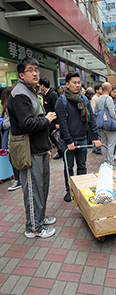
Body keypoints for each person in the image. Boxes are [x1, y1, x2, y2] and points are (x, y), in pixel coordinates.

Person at [7, 57, 57, 238]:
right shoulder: (20, 94)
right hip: (29, 150)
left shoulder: (32, 91)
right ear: (21, 74)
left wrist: (48, 146)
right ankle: (33, 227)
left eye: (37, 69)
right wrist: (47, 120)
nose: (35, 73)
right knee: (32, 190)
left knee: (42, 187)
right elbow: (26, 124)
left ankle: (40, 218)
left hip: (40, 147)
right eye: (30, 70)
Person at [55, 72, 101, 202]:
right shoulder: (61, 101)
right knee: (68, 167)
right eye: (74, 83)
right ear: (67, 84)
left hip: (82, 139)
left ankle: (81, 189)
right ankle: (69, 190)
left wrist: (96, 137)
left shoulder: (84, 100)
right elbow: (63, 123)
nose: (77, 85)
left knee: (82, 165)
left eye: (78, 82)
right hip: (67, 141)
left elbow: (91, 119)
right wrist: (69, 141)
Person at [0, 88, 22, 191]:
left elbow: (6, 125)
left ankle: (18, 180)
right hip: (16, 138)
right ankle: (19, 179)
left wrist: (2, 121)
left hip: (12, 138)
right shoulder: (16, 105)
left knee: (13, 159)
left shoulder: (9, 109)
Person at [95, 82, 116, 166]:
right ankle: (110, 161)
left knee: (104, 143)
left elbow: (96, 111)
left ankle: (105, 160)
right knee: (111, 143)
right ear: (109, 89)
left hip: (101, 124)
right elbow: (112, 113)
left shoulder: (98, 99)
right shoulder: (108, 99)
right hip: (109, 124)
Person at [39, 77, 61, 160]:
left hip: (54, 120)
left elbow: (57, 109)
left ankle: (60, 152)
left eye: (40, 85)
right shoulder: (45, 94)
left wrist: (57, 122)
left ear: (43, 86)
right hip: (48, 119)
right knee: (51, 137)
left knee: (56, 137)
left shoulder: (53, 94)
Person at [90, 84, 103, 155]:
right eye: (100, 89)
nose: (102, 90)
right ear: (97, 90)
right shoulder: (95, 98)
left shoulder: (99, 97)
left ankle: (95, 148)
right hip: (96, 118)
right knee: (98, 133)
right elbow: (94, 110)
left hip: (98, 117)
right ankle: (97, 149)